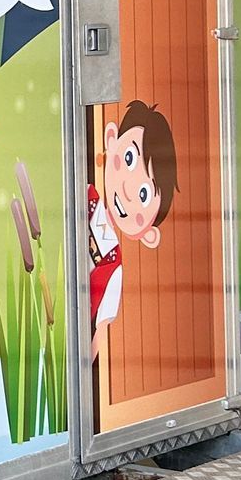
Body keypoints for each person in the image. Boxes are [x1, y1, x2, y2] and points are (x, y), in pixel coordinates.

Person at [87, 98, 179, 366]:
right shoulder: (82, 194)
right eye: (129, 158)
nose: (128, 189)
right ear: (111, 138)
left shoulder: (114, 270)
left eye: (144, 194)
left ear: (148, 234)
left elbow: (102, 327)